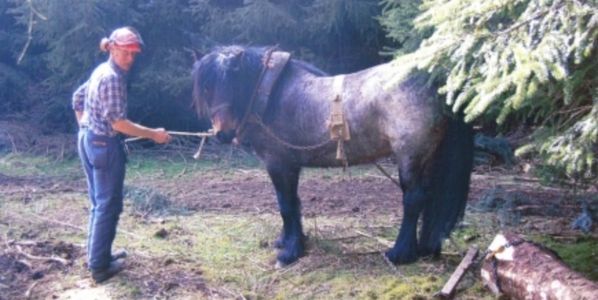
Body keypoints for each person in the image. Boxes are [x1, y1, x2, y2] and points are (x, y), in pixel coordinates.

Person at [72, 26, 171, 283]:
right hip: (104, 146)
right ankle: (100, 268)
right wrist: (154, 134)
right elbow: (117, 123)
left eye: (134, 54)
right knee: (108, 205)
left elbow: (77, 99)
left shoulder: (99, 71)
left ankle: (99, 256)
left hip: (88, 141)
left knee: (100, 204)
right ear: (113, 49)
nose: (130, 59)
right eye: (126, 53)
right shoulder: (113, 78)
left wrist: (86, 126)